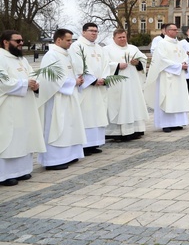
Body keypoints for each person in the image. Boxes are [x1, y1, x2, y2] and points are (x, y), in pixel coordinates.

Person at [0, 30, 45, 185]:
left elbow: (32, 74)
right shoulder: (0, 58)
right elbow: (3, 82)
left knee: (24, 135)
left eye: (21, 41)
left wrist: (35, 83)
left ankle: (21, 170)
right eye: (17, 41)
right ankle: (5, 174)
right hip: (9, 106)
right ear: (5, 42)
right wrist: (26, 84)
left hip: (26, 104)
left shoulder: (21, 59)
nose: (21, 44)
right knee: (10, 138)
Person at [37, 28, 86, 171]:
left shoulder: (66, 55)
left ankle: (69, 155)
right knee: (56, 126)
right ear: (59, 40)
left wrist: (78, 79)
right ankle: (53, 159)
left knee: (69, 126)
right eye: (68, 40)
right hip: (56, 98)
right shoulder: (51, 55)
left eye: (71, 40)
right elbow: (51, 78)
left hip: (68, 96)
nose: (71, 43)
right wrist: (73, 82)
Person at [144, 23, 189, 133]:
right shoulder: (162, 44)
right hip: (167, 76)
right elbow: (162, 60)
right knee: (167, 98)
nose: (177, 31)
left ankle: (177, 122)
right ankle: (166, 124)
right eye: (174, 30)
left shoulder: (178, 44)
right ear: (168, 31)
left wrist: (185, 62)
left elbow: (185, 56)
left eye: (176, 29)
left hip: (179, 76)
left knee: (178, 98)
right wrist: (179, 66)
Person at [103, 29, 149, 141]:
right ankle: (117, 132)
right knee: (118, 105)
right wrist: (117, 65)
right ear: (114, 38)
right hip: (117, 84)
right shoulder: (106, 50)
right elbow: (104, 65)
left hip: (133, 83)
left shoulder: (133, 48)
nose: (122, 39)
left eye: (124, 37)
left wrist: (137, 63)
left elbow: (143, 59)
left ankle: (135, 129)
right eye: (120, 37)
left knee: (134, 104)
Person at [71, 23, 109, 156]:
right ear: (83, 32)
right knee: (86, 115)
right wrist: (92, 80)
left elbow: (106, 65)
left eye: (96, 31)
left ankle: (94, 143)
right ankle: (84, 144)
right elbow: (77, 67)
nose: (94, 33)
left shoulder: (99, 48)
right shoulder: (77, 47)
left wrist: (104, 78)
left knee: (97, 114)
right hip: (86, 88)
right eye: (91, 31)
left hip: (98, 88)